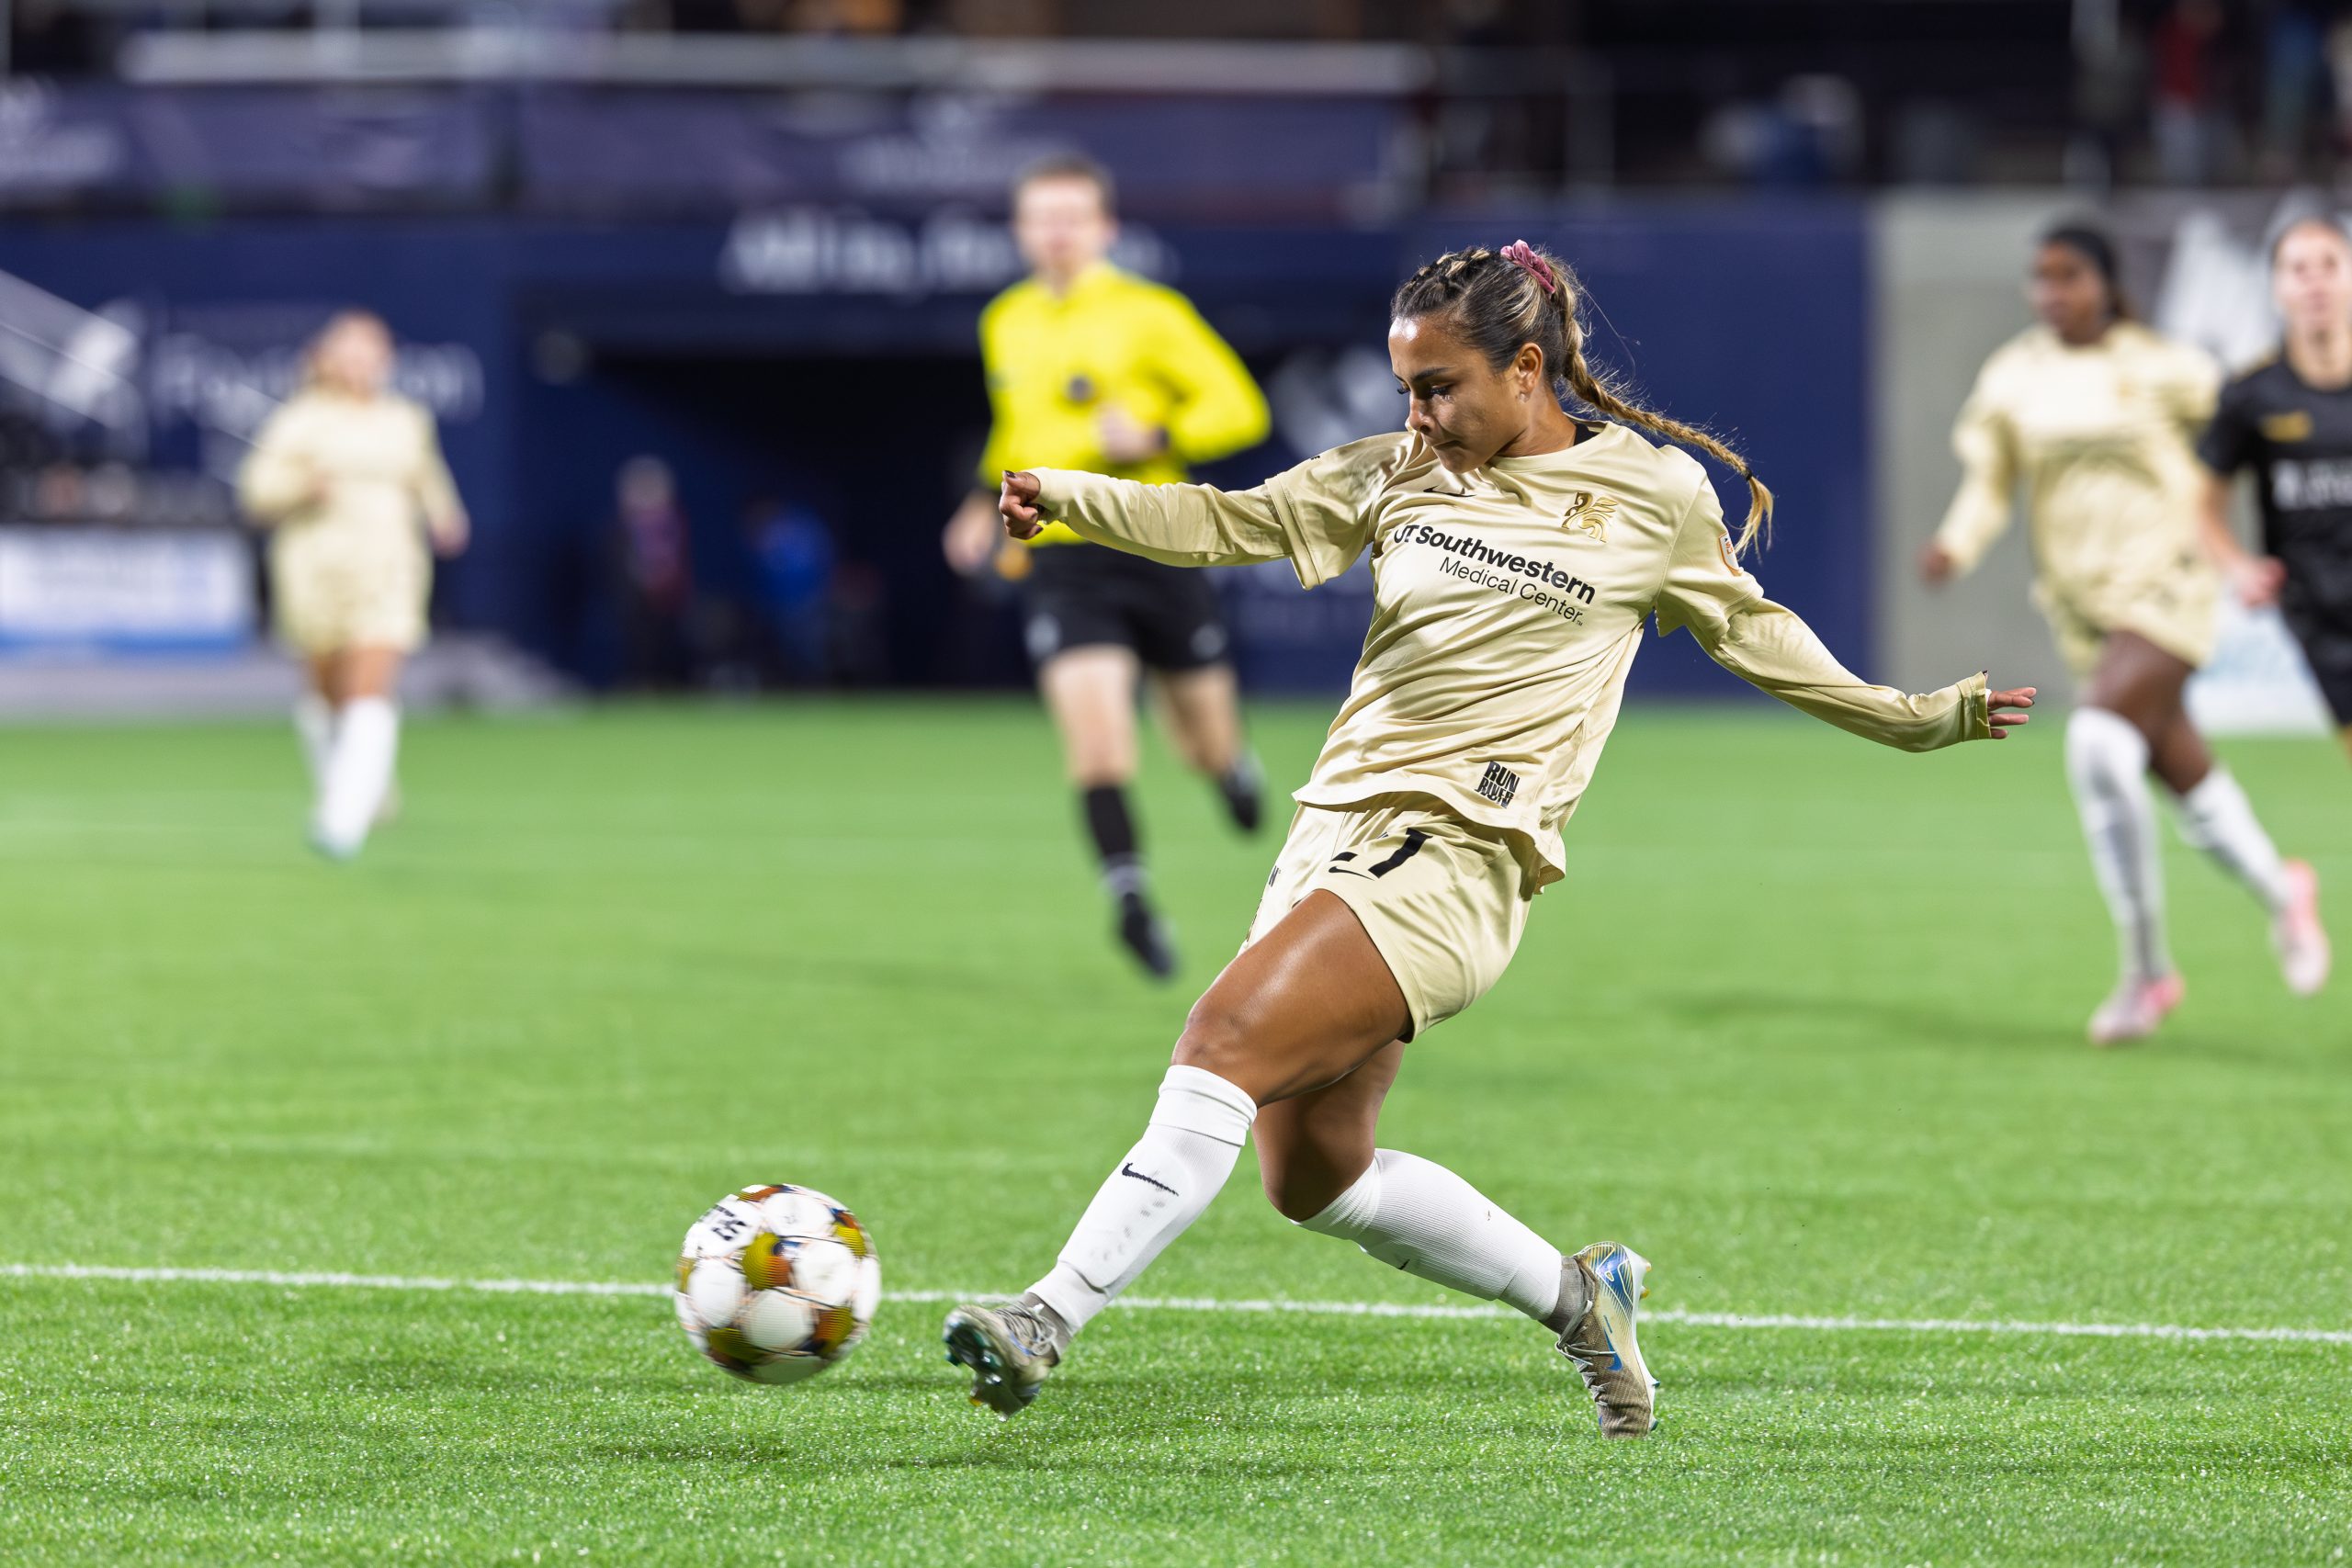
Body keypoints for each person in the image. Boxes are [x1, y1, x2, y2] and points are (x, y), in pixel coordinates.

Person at [939, 241, 2034, 1438]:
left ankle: (1044, 1315)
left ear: (1526, 366)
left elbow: (1762, 638)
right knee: (1313, 1171)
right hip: (1331, 832)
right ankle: (1583, 1297)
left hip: (1461, 851)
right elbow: (1235, 519)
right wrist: (1074, 495)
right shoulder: (1402, 469)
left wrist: (1920, 718)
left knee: (1221, 1040)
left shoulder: (1652, 496)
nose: (1417, 414)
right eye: (1407, 387)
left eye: (1438, 386)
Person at [1923, 222, 2328, 1046]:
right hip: (2082, 603)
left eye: (2069, 276)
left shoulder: (2165, 365)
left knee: (2099, 744)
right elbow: (1991, 480)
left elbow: (2247, 426)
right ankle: (2284, 890)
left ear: (2106, 284)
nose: (2052, 293)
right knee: (2176, 768)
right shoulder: (2015, 375)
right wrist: (1957, 542)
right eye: (2041, 279)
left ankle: (2147, 973)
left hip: (2169, 582)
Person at [943, 153, 1272, 980]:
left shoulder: (1151, 314)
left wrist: (1157, 434)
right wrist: (981, 500)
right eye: (1041, 218)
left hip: (1154, 539)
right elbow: (1018, 431)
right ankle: (1130, 900)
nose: (1056, 233)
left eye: (1072, 217)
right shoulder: (1006, 320)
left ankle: (1230, 767)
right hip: (1062, 555)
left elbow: (1240, 407)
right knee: (1097, 743)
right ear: (1021, 230)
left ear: (1105, 229)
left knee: (1200, 741)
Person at [238, 311, 466, 860]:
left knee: (371, 679)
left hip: (387, 565)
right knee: (327, 692)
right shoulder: (300, 421)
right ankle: (361, 785)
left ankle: (340, 820)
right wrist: (299, 486)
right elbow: (256, 490)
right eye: (351, 353)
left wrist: (445, 515)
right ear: (327, 359)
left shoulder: (405, 420)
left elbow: (427, 477)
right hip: (315, 567)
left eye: (372, 353)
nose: (362, 365)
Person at [2199, 215, 2352, 760]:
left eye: (2329, 265)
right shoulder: (2252, 395)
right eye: (2298, 269)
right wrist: (2237, 567)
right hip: (2321, 616)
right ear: (2278, 288)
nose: (2315, 282)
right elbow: (2202, 505)